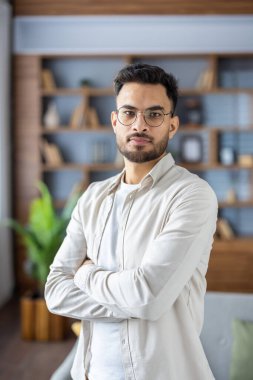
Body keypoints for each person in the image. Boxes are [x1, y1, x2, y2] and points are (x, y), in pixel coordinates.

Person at [45, 63, 218, 380]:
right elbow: (55, 291)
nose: (140, 125)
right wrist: (133, 301)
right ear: (115, 121)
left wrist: (84, 274)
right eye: (129, 113)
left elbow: (149, 298)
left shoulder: (192, 195)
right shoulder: (93, 197)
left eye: (154, 114)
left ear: (173, 125)